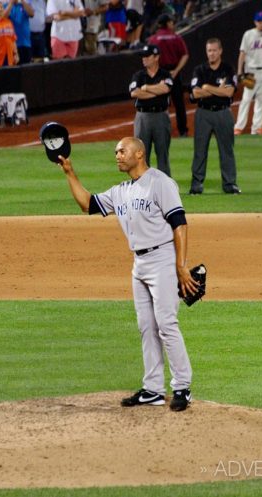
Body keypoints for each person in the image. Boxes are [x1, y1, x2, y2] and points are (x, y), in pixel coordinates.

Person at [56, 136, 197, 412]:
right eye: (116, 152)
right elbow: (87, 204)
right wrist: (70, 173)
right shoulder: (120, 191)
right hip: (139, 263)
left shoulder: (161, 183)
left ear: (140, 153)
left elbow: (180, 224)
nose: (117, 155)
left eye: (122, 151)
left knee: (167, 324)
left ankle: (182, 387)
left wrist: (181, 266)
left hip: (163, 259)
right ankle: (153, 389)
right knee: (146, 326)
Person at [189, 38, 240, 195]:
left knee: (226, 150)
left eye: (214, 50)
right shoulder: (200, 70)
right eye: (209, 51)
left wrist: (206, 87)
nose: (211, 53)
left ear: (220, 51)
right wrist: (218, 89)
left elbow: (229, 92)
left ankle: (229, 184)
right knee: (200, 151)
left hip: (223, 113)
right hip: (203, 113)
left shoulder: (228, 69)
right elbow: (195, 93)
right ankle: (196, 186)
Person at [130, 43, 173, 176]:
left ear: (156, 57)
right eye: (143, 56)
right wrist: (156, 90)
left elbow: (166, 89)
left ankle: (165, 189)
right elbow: (134, 93)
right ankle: (142, 188)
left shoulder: (165, 74)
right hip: (143, 117)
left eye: (147, 56)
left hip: (161, 116)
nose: (144, 59)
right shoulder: (138, 75)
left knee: (163, 155)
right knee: (141, 155)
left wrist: (145, 88)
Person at [234, 10, 262, 136]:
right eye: (259, 21)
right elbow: (242, 53)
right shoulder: (248, 34)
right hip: (250, 72)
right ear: (255, 22)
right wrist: (240, 71)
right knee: (246, 99)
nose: (261, 24)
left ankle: (257, 128)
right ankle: (238, 127)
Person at [148, 13, 188, 137]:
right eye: (171, 22)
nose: (173, 24)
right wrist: (176, 71)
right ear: (168, 23)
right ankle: (183, 131)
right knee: (179, 104)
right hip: (174, 73)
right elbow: (185, 55)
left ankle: (160, 131)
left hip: (159, 73)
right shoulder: (176, 37)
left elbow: (150, 58)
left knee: (160, 104)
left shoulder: (153, 39)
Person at [4, 0, 33, 64]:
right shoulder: (6, 6)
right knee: (14, 69)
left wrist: (23, 1)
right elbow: (3, 18)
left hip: (25, 43)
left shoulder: (24, 5)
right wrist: (11, 4)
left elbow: (31, 14)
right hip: (12, 44)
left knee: (26, 68)